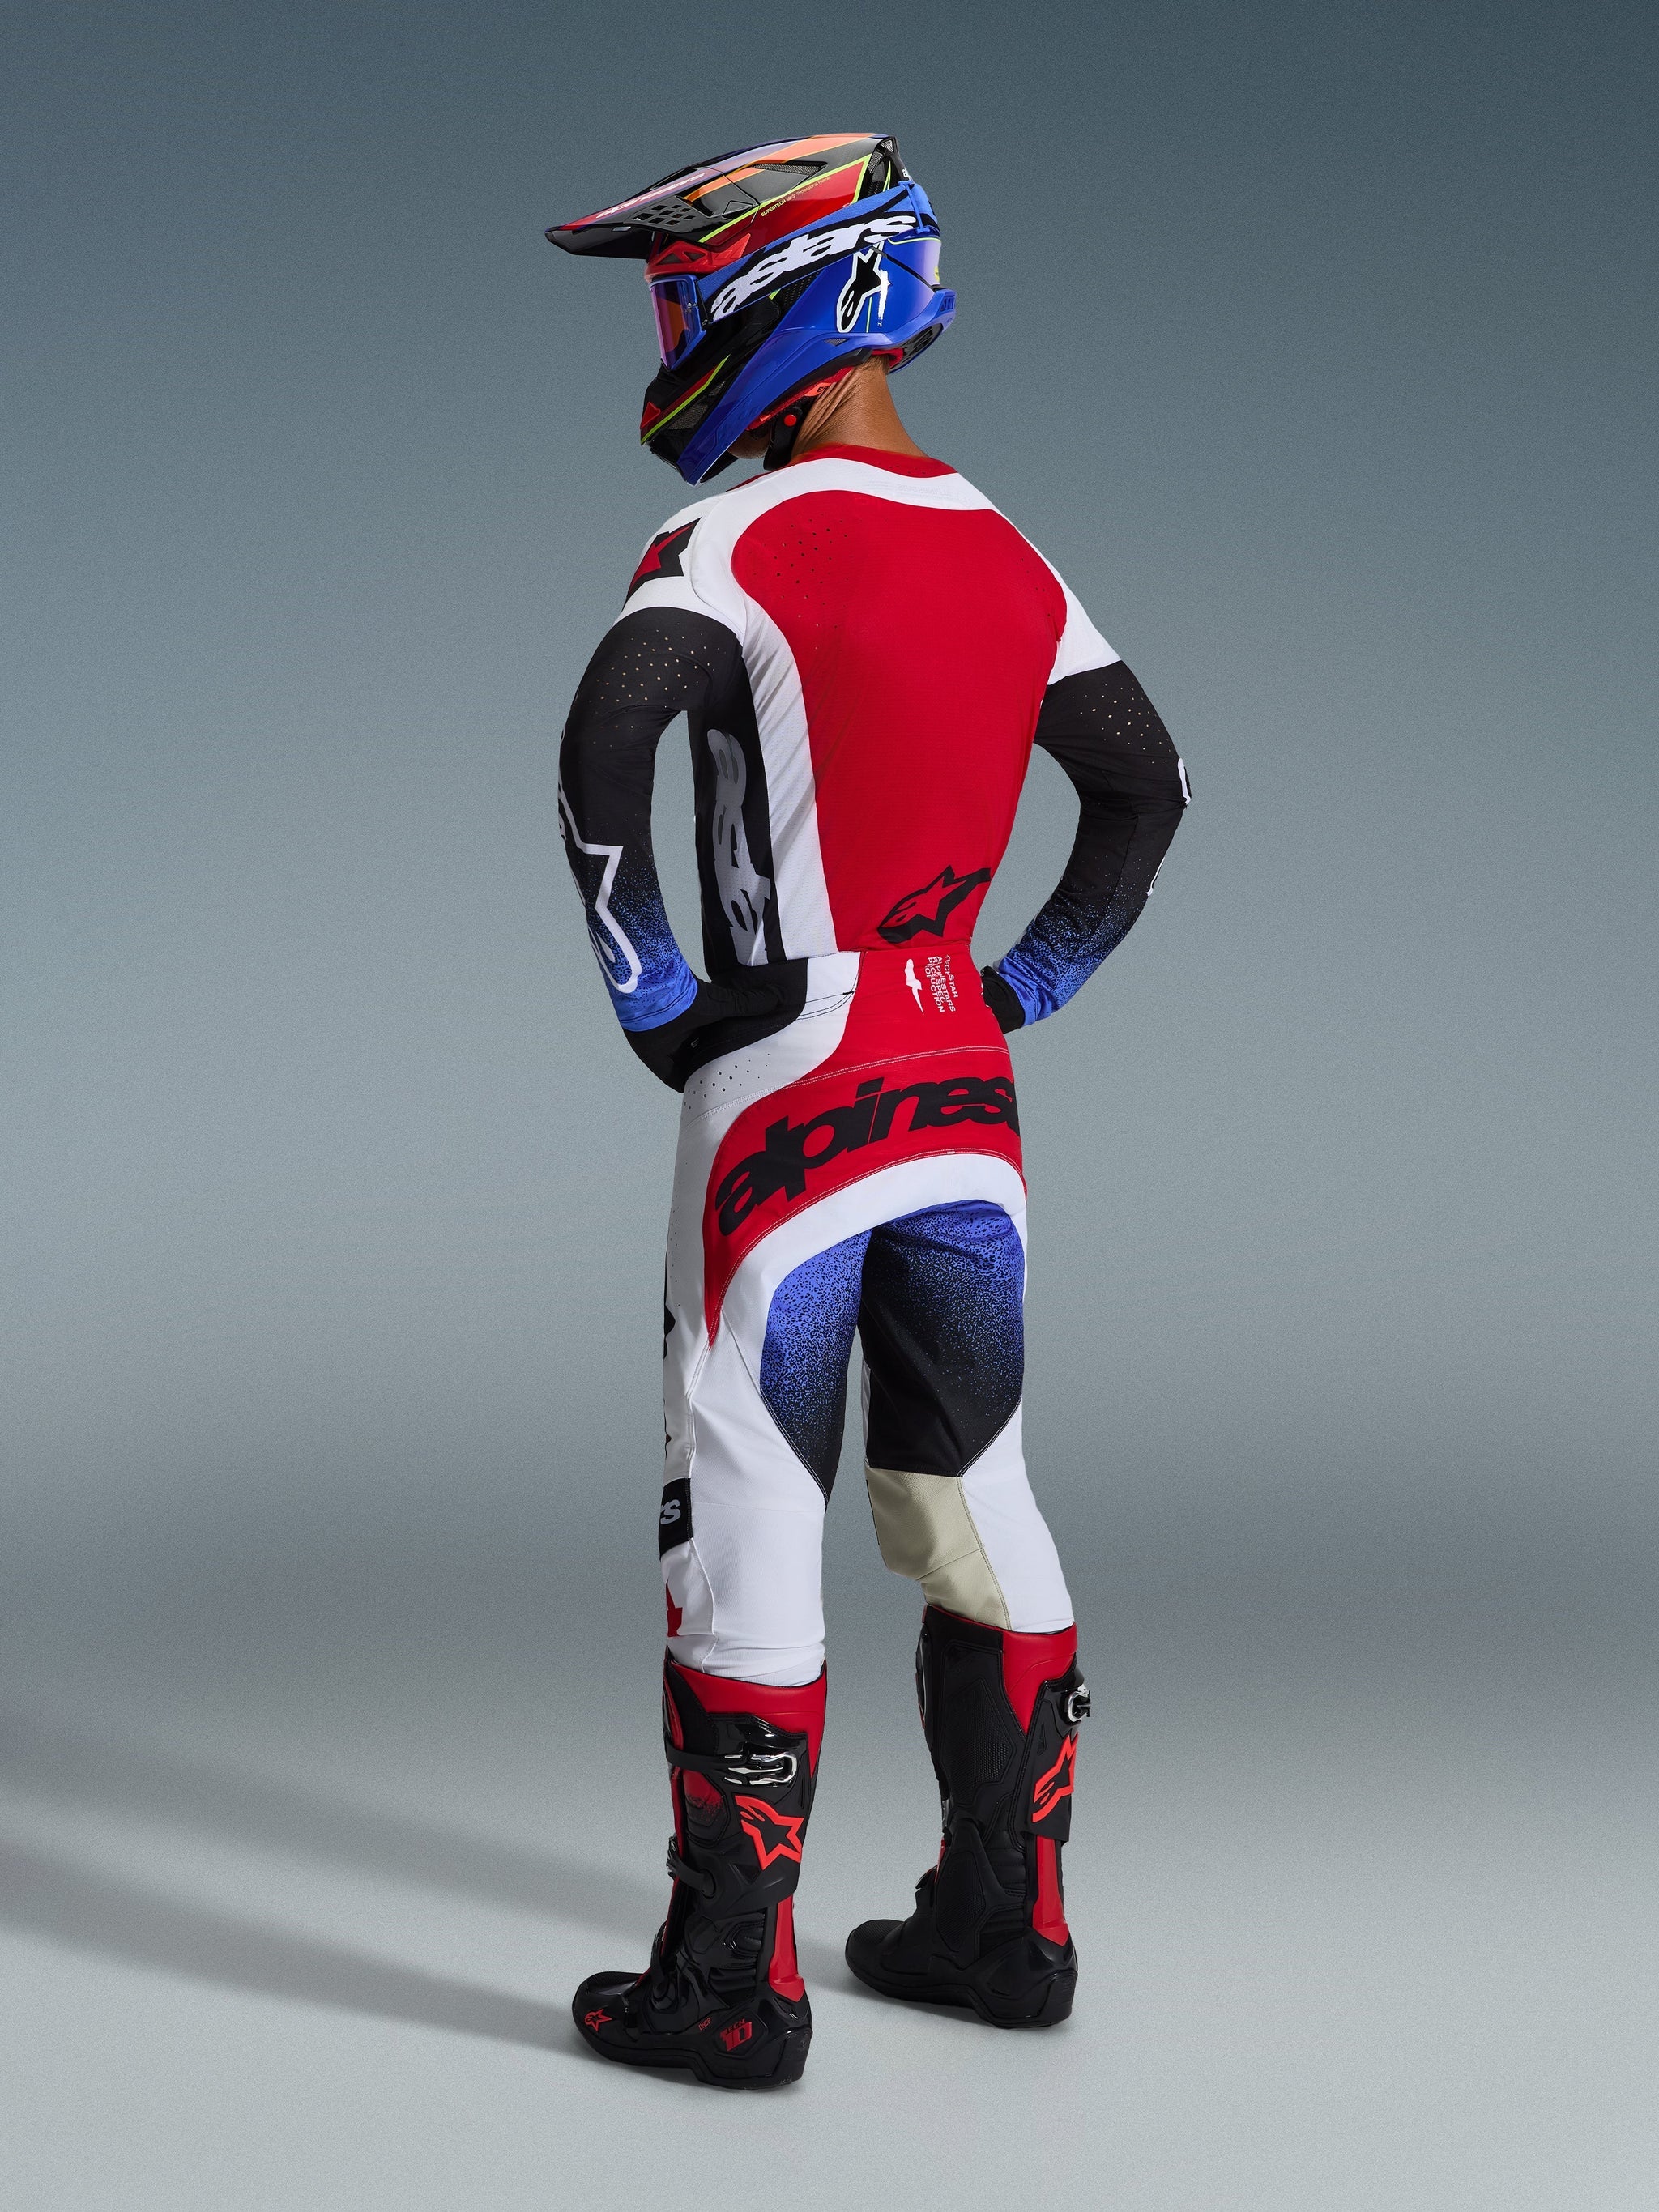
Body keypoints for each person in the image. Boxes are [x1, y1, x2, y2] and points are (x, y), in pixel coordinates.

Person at [547, 134, 1189, 2088]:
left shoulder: (732, 546)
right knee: (970, 1493)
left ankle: (730, 1984)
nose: (672, 335)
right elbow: (1144, 790)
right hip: (961, 1089)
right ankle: (1007, 1928)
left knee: (749, 1488)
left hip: (784, 1079)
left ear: (789, 313)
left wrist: (659, 994)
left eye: (687, 294)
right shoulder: (1013, 549)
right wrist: (1025, 983)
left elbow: (599, 750)